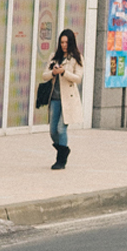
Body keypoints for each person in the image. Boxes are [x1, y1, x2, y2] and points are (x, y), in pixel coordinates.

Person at [44, 28, 86, 171]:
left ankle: (61, 160)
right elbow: (44, 75)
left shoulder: (76, 58)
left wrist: (64, 72)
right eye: (62, 42)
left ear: (71, 43)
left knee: (61, 129)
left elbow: (78, 78)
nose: (64, 45)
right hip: (55, 98)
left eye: (66, 43)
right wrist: (53, 72)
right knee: (53, 130)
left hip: (68, 99)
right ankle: (64, 149)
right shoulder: (54, 56)